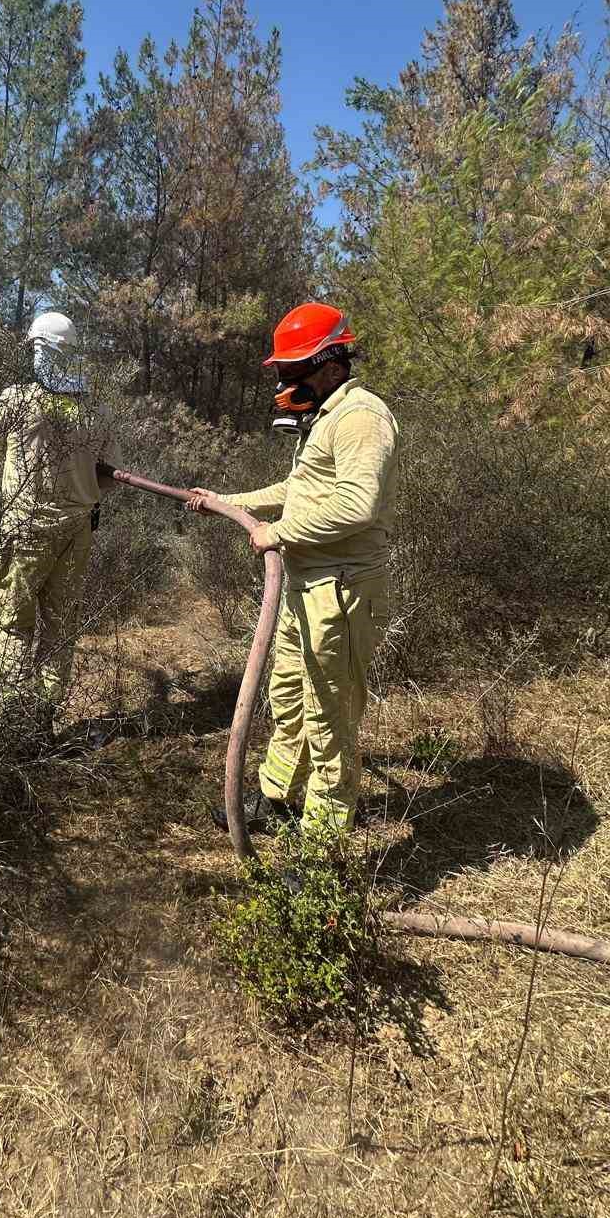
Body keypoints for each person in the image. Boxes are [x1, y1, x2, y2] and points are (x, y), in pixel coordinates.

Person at [188, 303, 397, 836]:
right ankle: (276, 797)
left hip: (341, 590)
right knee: (287, 696)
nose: (283, 382)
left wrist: (275, 534)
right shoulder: (323, 417)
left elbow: (357, 504)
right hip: (306, 585)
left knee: (330, 716)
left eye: (291, 370)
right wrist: (228, 501)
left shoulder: (360, 417)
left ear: (330, 364)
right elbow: (296, 491)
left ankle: (322, 847)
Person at [0, 311, 119, 739]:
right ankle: (43, 716)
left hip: (27, 529)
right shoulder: (97, 407)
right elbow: (109, 474)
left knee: (13, 621)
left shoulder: (16, 399)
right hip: (78, 530)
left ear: (36, 348)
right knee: (61, 623)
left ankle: (12, 720)